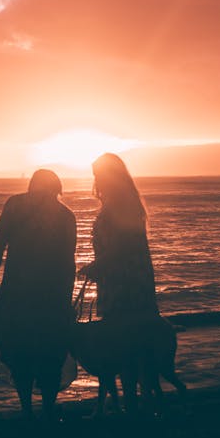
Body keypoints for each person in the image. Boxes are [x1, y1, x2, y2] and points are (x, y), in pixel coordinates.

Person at [0, 168, 77, 420]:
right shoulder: (65, 216)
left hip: (19, 294)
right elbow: (68, 263)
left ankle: (28, 409)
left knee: (20, 353)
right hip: (50, 296)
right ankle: (46, 408)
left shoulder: (15, 206)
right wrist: (67, 300)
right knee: (49, 354)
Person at [80, 153, 160, 411]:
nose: (96, 181)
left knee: (127, 346)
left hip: (124, 285)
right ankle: (138, 405)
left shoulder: (120, 205)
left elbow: (121, 247)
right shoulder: (125, 203)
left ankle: (134, 408)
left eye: (98, 175)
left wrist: (97, 266)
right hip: (127, 282)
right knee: (135, 348)